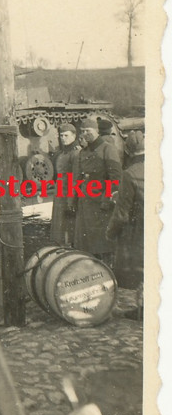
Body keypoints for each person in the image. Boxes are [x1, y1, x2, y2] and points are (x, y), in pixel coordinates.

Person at [73, 117, 122, 264]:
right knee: (86, 241)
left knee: (102, 242)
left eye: (88, 131)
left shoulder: (107, 149)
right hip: (85, 201)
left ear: (96, 131)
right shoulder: (83, 152)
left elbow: (115, 178)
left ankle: (106, 268)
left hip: (100, 201)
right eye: (82, 131)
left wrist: (107, 199)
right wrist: (75, 199)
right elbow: (79, 178)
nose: (84, 134)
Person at [106, 130, 144, 293]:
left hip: (139, 229)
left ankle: (142, 308)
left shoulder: (129, 173)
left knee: (137, 268)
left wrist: (110, 232)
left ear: (127, 151)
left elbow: (121, 215)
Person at [50, 123, 79, 245]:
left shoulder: (75, 153)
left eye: (66, 135)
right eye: (61, 135)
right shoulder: (62, 153)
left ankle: (68, 247)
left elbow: (75, 177)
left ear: (74, 135)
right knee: (59, 222)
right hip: (60, 192)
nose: (63, 138)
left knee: (68, 224)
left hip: (69, 193)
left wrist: (71, 199)